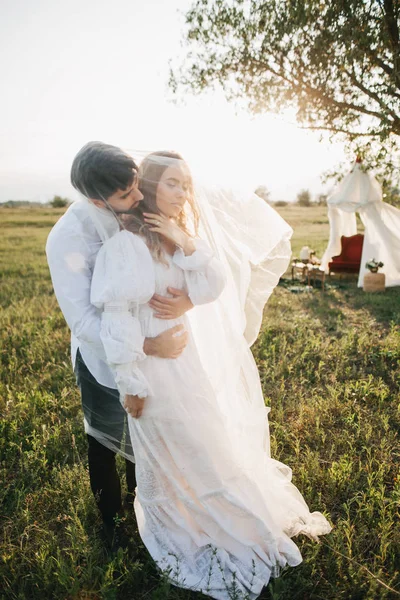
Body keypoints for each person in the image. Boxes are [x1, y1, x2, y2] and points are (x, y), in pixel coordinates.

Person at [89, 149, 332, 599]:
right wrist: (132, 384)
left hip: (185, 362)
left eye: (187, 184)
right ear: (148, 188)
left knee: (205, 441)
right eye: (172, 184)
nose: (183, 193)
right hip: (151, 370)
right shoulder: (125, 246)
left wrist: (185, 244)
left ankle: (226, 516)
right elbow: (116, 319)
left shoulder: (177, 235)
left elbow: (212, 285)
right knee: (174, 449)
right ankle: (186, 526)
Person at [46, 142, 194, 546]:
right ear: (96, 199)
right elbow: (83, 321)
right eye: (127, 194)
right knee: (105, 439)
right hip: (102, 358)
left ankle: (146, 511)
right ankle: (111, 523)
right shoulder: (67, 240)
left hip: (152, 348)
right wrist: (149, 345)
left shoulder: (136, 208)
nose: (139, 196)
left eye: (135, 185)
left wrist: (187, 299)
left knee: (142, 436)